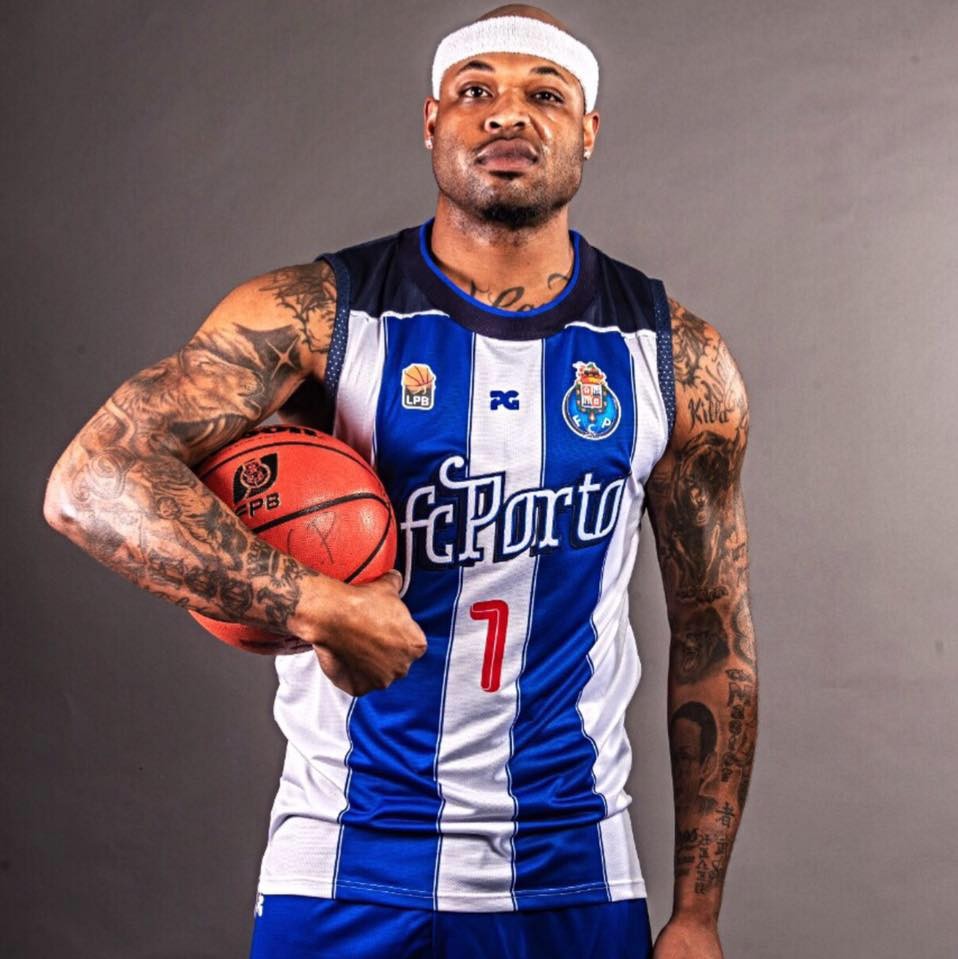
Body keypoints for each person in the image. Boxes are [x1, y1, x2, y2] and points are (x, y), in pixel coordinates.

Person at [43, 5, 757, 957]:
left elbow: (713, 635)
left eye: (545, 95)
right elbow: (89, 479)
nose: (508, 113)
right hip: (343, 859)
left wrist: (699, 912)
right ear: (431, 121)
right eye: (476, 90)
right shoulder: (316, 317)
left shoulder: (674, 357)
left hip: (575, 869)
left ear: (588, 131)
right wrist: (312, 603)